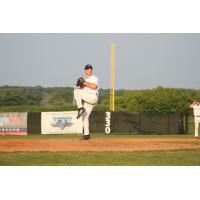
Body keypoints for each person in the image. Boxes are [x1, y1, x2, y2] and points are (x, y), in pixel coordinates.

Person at [74, 64, 99, 140]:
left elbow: (94, 87)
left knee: (76, 91)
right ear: (85, 70)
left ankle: (80, 108)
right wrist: (80, 85)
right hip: (88, 100)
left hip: (93, 97)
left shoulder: (94, 78)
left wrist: (84, 82)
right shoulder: (85, 79)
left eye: (90, 68)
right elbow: (81, 91)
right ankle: (86, 135)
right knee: (84, 117)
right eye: (88, 69)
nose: (89, 70)